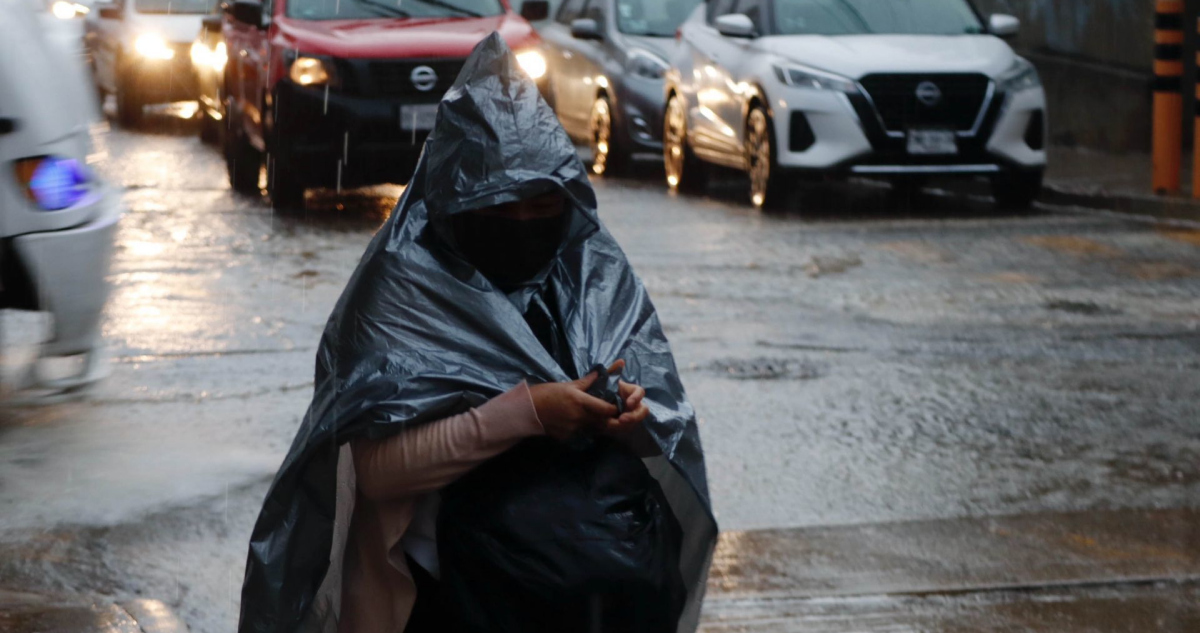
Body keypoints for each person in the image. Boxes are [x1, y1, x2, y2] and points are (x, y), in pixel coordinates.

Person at [237, 34, 717, 633]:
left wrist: (631, 421)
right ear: (452, 203)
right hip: (437, 603)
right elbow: (380, 471)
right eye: (499, 208)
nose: (522, 225)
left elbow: (659, 436)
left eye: (540, 207)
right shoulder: (402, 288)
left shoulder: (590, 273)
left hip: (581, 596)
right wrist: (528, 413)